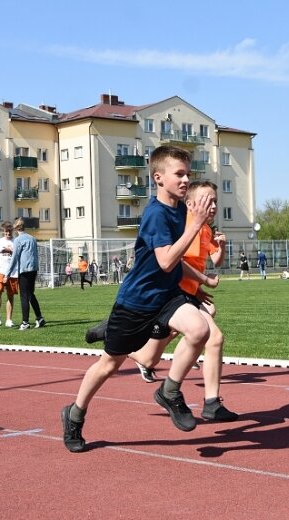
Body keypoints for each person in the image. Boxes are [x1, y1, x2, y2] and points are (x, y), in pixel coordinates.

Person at [61, 145, 215, 453]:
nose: (186, 180)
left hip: (168, 297)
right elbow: (166, 261)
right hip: (137, 302)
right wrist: (195, 226)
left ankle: (169, 392)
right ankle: (75, 414)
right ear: (159, 178)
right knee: (109, 365)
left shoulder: (182, 211)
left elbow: (177, 261)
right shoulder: (155, 214)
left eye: (188, 174)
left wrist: (199, 283)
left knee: (200, 330)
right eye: (179, 174)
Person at [127, 180, 237, 421]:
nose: (213, 205)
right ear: (190, 203)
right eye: (208, 200)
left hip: (187, 294)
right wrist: (203, 281)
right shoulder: (187, 225)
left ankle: (211, 403)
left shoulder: (206, 229)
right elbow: (176, 262)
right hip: (172, 295)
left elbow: (215, 260)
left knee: (152, 355)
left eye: (216, 201)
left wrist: (222, 247)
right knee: (152, 354)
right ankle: (198, 399)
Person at [6, 218, 45, 331]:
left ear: (16, 228)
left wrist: (7, 274)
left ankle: (25, 322)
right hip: (33, 269)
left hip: (24, 270)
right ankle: (39, 318)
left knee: (24, 296)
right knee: (30, 294)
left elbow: (15, 258)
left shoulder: (18, 240)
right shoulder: (32, 238)